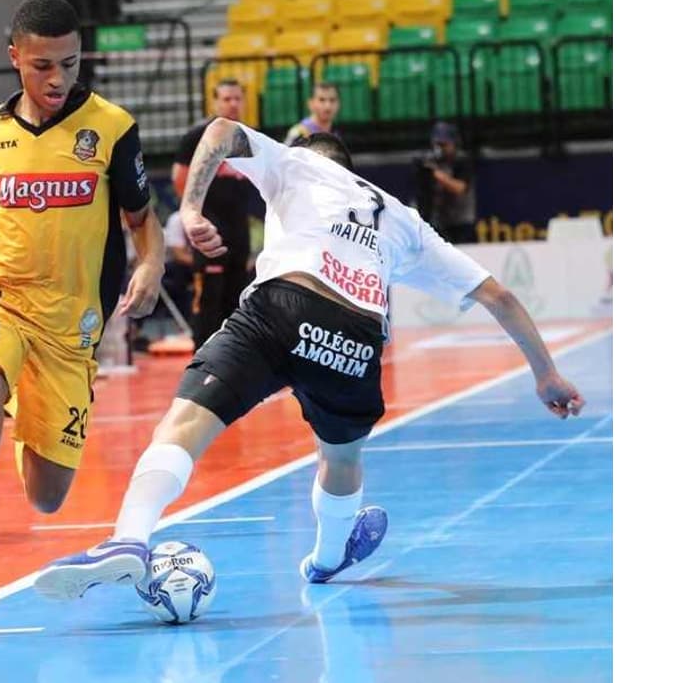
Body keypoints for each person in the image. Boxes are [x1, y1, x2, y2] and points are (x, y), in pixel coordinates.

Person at [33, 120, 586, 602]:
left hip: (282, 305)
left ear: (314, 155)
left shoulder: (296, 162)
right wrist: (547, 374)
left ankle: (130, 536)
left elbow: (221, 130)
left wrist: (193, 208)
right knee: (341, 457)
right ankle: (326, 558)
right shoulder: (400, 217)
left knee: (186, 423)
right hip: (357, 333)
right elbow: (500, 297)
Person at [0, 0, 166, 640]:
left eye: (69, 65)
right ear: (13, 56)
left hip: (71, 327)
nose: (56, 79)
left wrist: (150, 265)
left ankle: (25, 413)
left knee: (48, 495)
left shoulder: (112, 126)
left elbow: (141, 221)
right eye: (42, 65)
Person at [173, 78, 259, 348]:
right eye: (226, 99)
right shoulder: (198, 136)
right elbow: (180, 180)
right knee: (209, 298)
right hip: (210, 231)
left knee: (237, 299)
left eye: (237, 98)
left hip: (239, 232)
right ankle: (203, 355)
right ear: (215, 102)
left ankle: (234, 357)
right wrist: (196, 215)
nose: (233, 104)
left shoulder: (249, 137)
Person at [416, 121, 476, 244]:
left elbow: (460, 188)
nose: (440, 149)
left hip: (461, 222)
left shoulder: (462, 161)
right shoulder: (430, 162)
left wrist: (437, 174)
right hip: (439, 221)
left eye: (444, 145)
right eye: (437, 145)